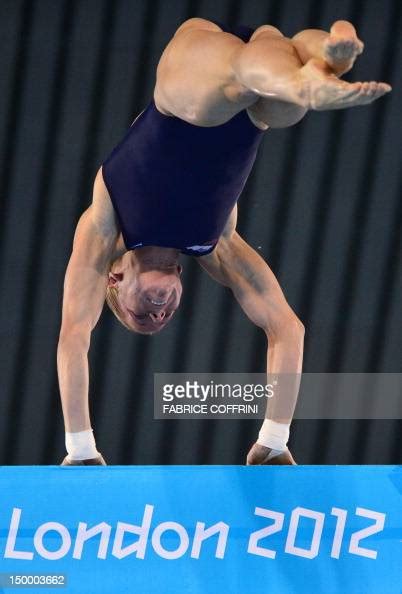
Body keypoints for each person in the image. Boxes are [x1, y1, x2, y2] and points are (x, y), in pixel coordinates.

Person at [58, 18, 390, 465]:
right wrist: (273, 439)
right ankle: (330, 57)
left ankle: (312, 76)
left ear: (115, 279)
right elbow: (287, 328)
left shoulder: (104, 227)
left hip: (181, 91)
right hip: (252, 115)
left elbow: (74, 337)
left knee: (229, 87)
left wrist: (81, 447)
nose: (159, 311)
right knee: (279, 91)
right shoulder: (217, 244)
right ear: (179, 283)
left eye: (143, 313)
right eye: (165, 315)